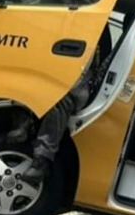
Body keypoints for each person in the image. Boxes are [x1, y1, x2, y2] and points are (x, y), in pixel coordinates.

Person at [14, 26, 113, 184]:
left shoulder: (97, 36)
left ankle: (42, 160)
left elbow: (82, 77)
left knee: (59, 102)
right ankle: (23, 123)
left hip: (78, 88)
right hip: (55, 80)